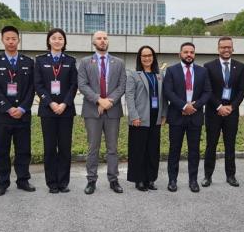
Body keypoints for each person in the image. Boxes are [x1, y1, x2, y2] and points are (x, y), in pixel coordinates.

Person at [0, 25, 36, 196]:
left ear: (18, 40)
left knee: (23, 150)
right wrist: (7, 108)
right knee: (2, 150)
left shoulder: (28, 62)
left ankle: (23, 180)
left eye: (13, 38)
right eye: (7, 38)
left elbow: (32, 88)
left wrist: (22, 107)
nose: (11, 41)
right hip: (3, 115)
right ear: (2, 40)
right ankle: (2, 182)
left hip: (23, 115)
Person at [78, 31, 126, 195]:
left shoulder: (119, 62)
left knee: (112, 148)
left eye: (105, 38)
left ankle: (113, 180)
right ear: (93, 42)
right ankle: (91, 180)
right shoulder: (85, 62)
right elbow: (83, 85)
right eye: (99, 38)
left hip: (113, 111)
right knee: (93, 147)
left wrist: (109, 102)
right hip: (92, 111)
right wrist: (99, 100)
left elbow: (122, 86)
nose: (103, 40)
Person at [163, 42, 212, 193]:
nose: (189, 55)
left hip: (195, 117)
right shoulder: (171, 71)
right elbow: (168, 91)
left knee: (194, 151)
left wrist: (194, 107)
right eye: (186, 52)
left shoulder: (202, 71)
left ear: (194, 54)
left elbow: (207, 92)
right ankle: (172, 180)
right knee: (174, 150)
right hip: (177, 116)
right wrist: (184, 106)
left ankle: (193, 180)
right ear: (180, 54)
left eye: (191, 52)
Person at [34, 28, 78, 194]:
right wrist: (51, 103)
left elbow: (74, 85)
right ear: (49, 41)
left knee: (65, 148)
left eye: (61, 38)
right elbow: (38, 85)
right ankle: (52, 183)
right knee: (50, 148)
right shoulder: (39, 61)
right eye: (54, 38)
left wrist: (64, 104)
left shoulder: (70, 61)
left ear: (64, 42)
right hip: (47, 110)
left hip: (66, 111)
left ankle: (63, 182)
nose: (58, 41)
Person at [202, 36, 244, 188]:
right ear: (218, 49)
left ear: (232, 48)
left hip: (232, 113)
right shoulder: (208, 66)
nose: (226, 50)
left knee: (230, 145)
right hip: (213, 112)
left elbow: (242, 90)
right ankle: (207, 176)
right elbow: (207, 90)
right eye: (223, 47)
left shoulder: (240, 67)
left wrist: (232, 107)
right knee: (211, 145)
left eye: (229, 47)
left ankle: (231, 176)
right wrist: (219, 106)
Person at [125, 46, 167, 191]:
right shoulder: (133, 75)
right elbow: (129, 97)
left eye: (149, 55)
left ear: (153, 57)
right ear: (139, 58)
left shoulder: (159, 75)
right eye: (144, 56)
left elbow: (163, 97)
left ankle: (150, 179)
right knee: (139, 150)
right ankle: (139, 179)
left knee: (152, 150)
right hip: (140, 119)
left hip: (155, 118)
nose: (147, 58)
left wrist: (163, 114)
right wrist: (134, 116)